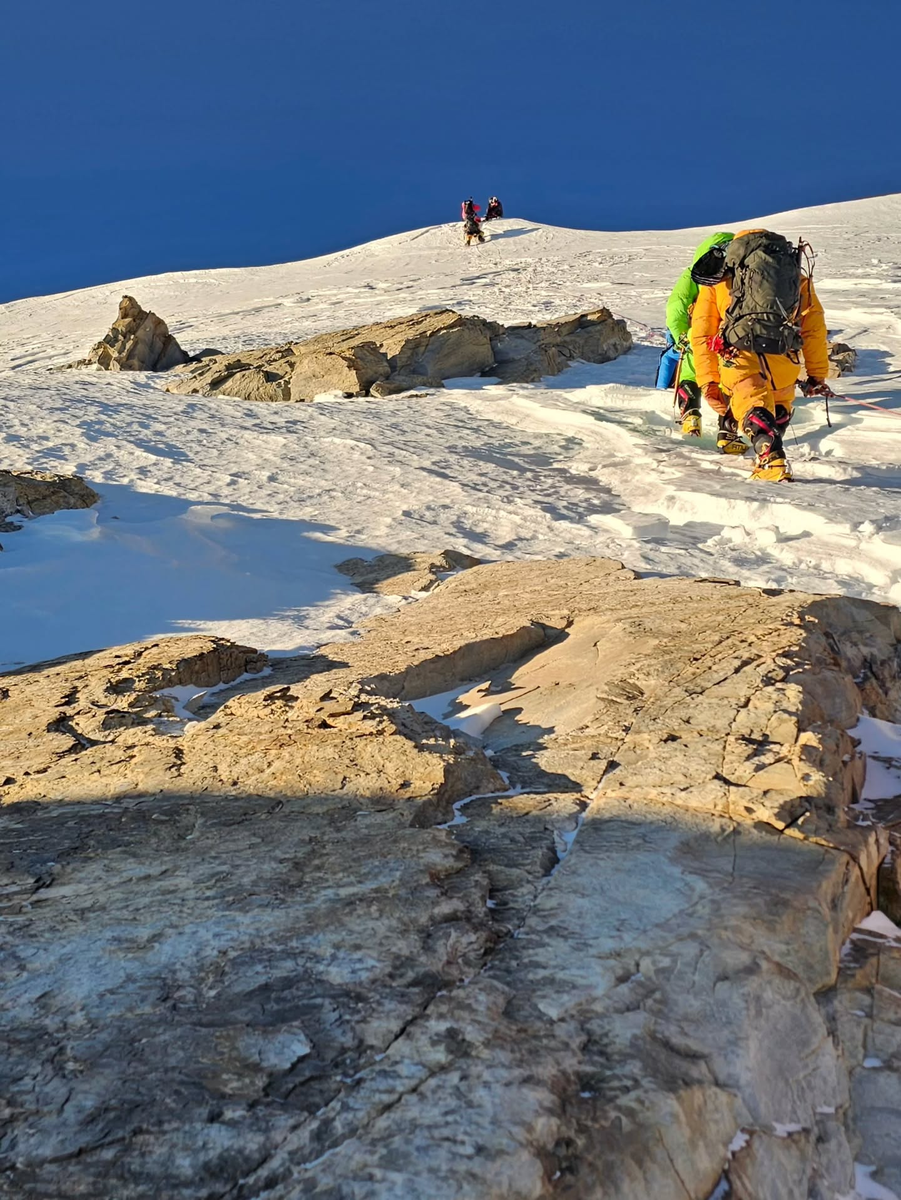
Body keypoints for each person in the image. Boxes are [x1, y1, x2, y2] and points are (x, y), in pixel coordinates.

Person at [690, 229, 832, 481]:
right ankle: (770, 451)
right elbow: (814, 330)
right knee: (776, 408)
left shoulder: (720, 281)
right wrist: (817, 375)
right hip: (783, 355)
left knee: (752, 405)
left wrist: (708, 380)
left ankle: (773, 464)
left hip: (738, 355)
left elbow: (701, 334)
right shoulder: (794, 278)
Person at [655, 232, 744, 451]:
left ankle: (690, 416)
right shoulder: (737, 273)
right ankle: (728, 430)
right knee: (727, 377)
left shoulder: (694, 274)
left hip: (697, 333)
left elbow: (677, 305)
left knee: (690, 371)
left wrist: (680, 335)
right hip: (728, 336)